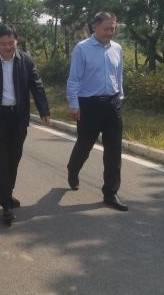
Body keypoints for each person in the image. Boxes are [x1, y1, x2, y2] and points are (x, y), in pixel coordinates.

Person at [0, 24, 50, 224]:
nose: (8, 47)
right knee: (1, 159)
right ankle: (6, 204)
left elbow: (36, 85)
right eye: (3, 44)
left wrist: (44, 109)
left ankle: (7, 192)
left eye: (11, 43)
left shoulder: (25, 60)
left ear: (16, 42)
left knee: (14, 157)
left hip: (18, 116)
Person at [66, 11, 127, 211]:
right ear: (95, 27)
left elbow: (118, 75)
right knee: (84, 145)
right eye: (106, 28)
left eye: (113, 28)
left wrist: (120, 97)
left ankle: (110, 193)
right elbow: (74, 79)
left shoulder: (117, 48)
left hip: (112, 105)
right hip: (89, 105)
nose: (110, 32)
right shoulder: (82, 48)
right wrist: (74, 104)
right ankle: (73, 169)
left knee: (114, 152)